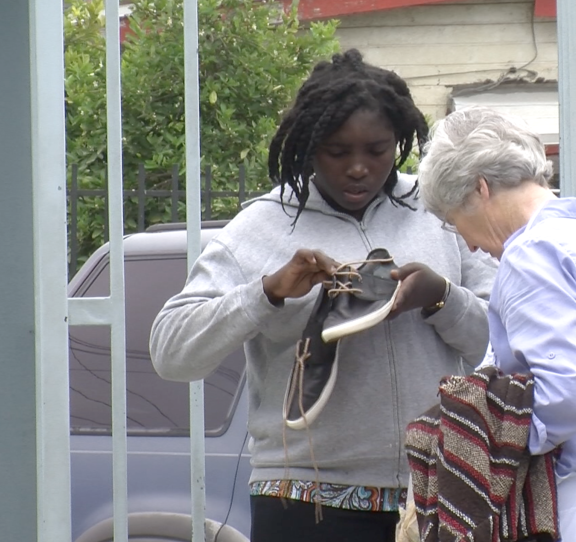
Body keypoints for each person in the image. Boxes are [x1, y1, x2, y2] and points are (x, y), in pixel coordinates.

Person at [148, 49, 497, 542]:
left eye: (376, 150)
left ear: (398, 142)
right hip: (304, 502)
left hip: (435, 497)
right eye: (338, 151)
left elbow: (502, 341)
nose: (358, 168)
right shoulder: (260, 227)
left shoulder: (439, 213)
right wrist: (266, 294)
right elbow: (170, 353)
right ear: (309, 147)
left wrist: (442, 298)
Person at [416, 106, 576, 542]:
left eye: (455, 223)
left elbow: (570, 389)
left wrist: (488, 442)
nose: (469, 245)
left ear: (480, 188)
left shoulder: (531, 254)